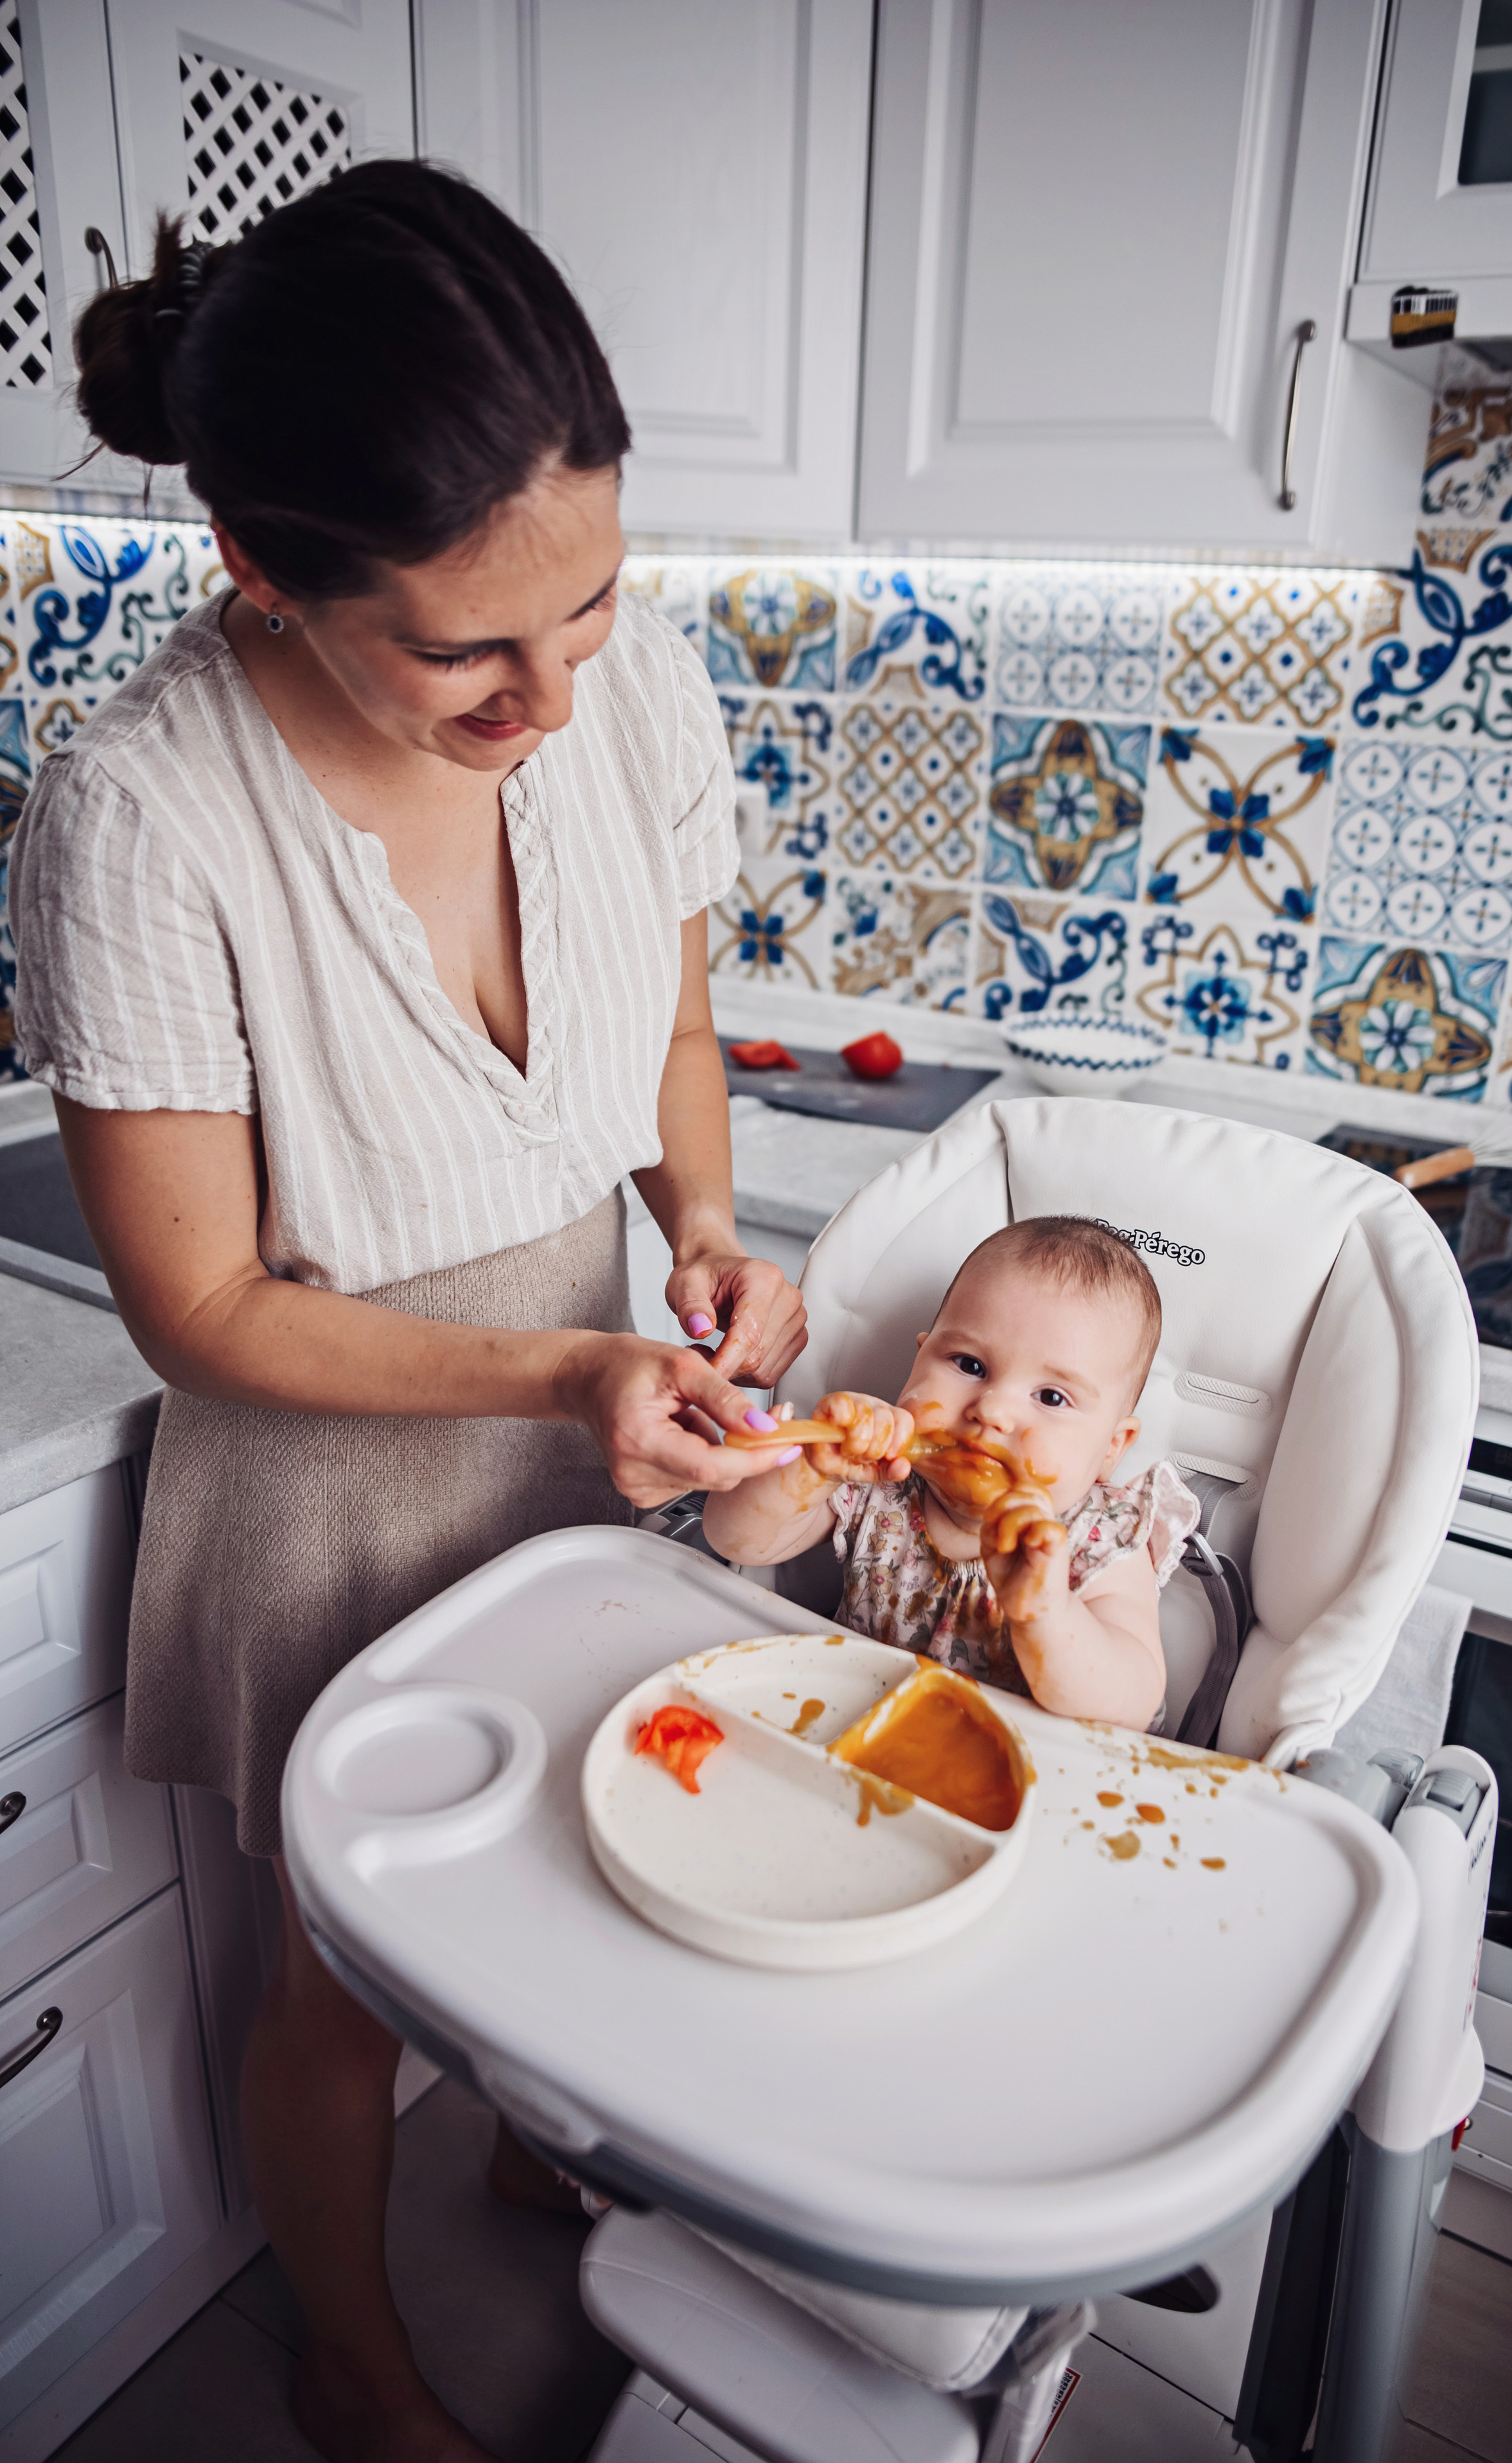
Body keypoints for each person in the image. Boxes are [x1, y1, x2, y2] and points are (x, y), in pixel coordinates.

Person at [7, 164, 805, 2463]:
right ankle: (357, 2365)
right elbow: (200, 1300)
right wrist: (569, 1363)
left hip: (586, 1389)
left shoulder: (614, 688)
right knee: (342, 1968)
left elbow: (667, 1033)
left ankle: (528, 2133)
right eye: (471, 649)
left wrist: (703, 1222)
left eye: (592, 604)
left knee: (579, 1835)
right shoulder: (143, 813)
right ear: (262, 561)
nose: (555, 694)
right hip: (327, 1452)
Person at [703, 1217, 1197, 1726]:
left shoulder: (1098, 1534)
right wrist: (811, 1467)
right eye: (969, 1365)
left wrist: (1046, 1613)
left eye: (1051, 1397)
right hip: (852, 1729)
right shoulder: (881, 1480)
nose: (993, 1410)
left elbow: (1132, 1702)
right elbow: (735, 1540)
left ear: (1111, 1448)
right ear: (920, 1360)